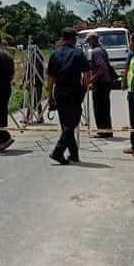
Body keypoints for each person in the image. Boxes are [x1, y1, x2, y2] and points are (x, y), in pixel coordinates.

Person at [47, 27, 89, 164]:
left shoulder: (54, 54)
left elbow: (50, 78)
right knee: (72, 123)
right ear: (73, 39)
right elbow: (87, 75)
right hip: (74, 91)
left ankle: (74, 154)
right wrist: (84, 89)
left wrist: (49, 96)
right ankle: (58, 152)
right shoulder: (78, 54)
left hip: (59, 91)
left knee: (65, 123)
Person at [87, 32, 113, 138]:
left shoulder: (96, 51)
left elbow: (102, 67)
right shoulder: (102, 49)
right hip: (105, 82)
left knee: (99, 108)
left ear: (93, 40)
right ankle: (106, 130)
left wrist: (92, 80)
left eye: (88, 40)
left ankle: (102, 131)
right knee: (105, 107)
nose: (87, 43)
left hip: (101, 83)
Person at [23, 45, 45, 124]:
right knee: (32, 99)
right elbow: (27, 71)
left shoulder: (37, 58)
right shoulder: (29, 58)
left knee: (35, 99)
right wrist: (24, 81)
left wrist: (30, 80)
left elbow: (36, 70)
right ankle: (38, 117)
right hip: (31, 80)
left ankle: (28, 117)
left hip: (37, 81)